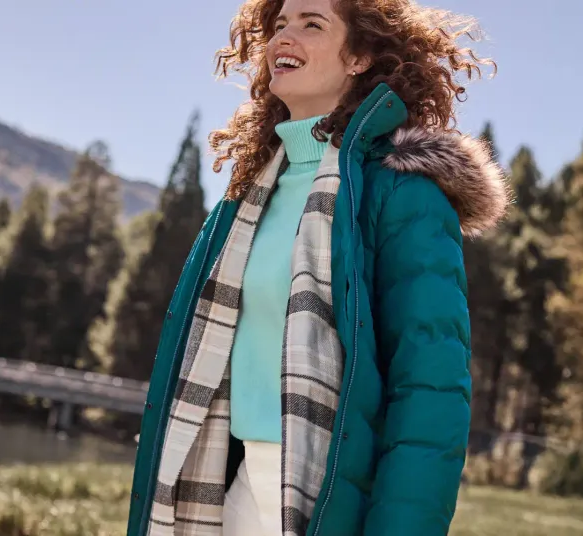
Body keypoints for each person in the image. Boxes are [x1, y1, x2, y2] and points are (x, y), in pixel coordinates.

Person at [125, 0, 508, 534]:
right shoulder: (245, 199)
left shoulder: (402, 196)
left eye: (312, 24)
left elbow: (429, 394)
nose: (285, 36)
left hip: (330, 503)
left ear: (360, 56)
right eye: (280, 24)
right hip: (229, 488)